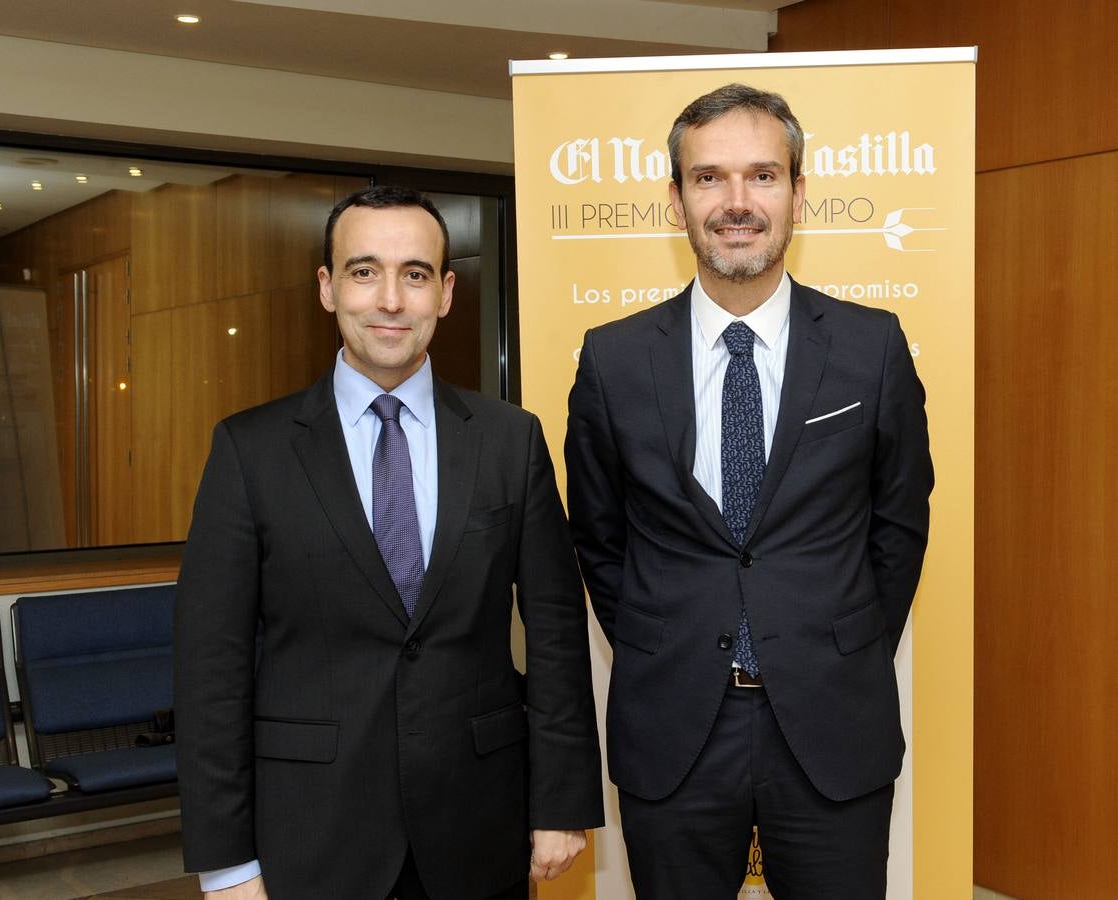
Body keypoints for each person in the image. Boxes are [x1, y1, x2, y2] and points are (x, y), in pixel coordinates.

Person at [175, 186, 603, 900]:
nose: (390, 300)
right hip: (310, 834)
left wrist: (561, 803)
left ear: (445, 293)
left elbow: (556, 634)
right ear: (327, 287)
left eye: (415, 274)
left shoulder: (508, 440)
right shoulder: (250, 450)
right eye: (364, 270)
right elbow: (209, 665)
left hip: (479, 826)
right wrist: (226, 861)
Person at [564, 83, 933, 899]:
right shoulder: (613, 360)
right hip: (674, 728)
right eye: (709, 178)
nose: (737, 202)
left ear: (798, 192)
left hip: (832, 722)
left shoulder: (870, 349)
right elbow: (598, 536)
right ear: (675, 199)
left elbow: (898, 523)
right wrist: (668, 639)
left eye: (762, 176)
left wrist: (839, 639)